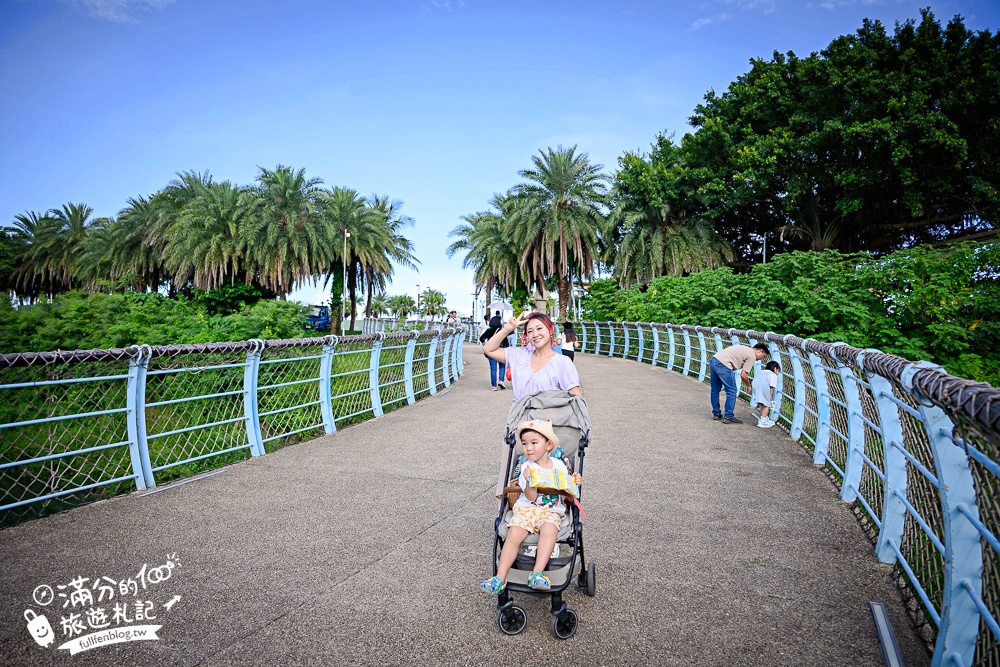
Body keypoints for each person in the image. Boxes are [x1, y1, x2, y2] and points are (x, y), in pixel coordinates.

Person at [483, 311, 582, 497]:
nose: (535, 334)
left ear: (550, 330)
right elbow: (489, 349)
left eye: (539, 328)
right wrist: (508, 328)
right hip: (520, 420)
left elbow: (576, 397)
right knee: (512, 465)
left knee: (548, 467)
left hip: (550, 423)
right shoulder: (519, 356)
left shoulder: (562, 362)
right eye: (530, 331)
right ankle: (513, 508)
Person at [480, 419, 582, 595]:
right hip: (528, 508)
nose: (528, 448)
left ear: (549, 445)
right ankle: (499, 577)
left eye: (534, 443)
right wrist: (529, 482)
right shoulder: (526, 466)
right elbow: (531, 496)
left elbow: (567, 489)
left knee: (549, 531)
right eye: (525, 443)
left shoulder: (559, 465)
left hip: (550, 511)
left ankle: (537, 573)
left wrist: (574, 481)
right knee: (514, 534)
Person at [709, 343, 769, 424]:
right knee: (732, 390)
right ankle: (728, 416)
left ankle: (716, 413)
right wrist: (749, 386)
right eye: (763, 356)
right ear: (760, 352)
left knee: (715, 390)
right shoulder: (752, 355)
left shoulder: (745, 349)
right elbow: (743, 375)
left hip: (714, 360)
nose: (760, 359)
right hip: (724, 364)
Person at [479, 316, 508, 391]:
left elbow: (481, 338)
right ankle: (501, 381)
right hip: (501, 351)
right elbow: (506, 343)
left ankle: (494, 386)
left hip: (491, 351)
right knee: (502, 366)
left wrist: (485, 345)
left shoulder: (489, 330)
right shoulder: (502, 331)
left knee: (493, 368)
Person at [752, 360, 781, 428]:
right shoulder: (773, 375)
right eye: (778, 370)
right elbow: (771, 387)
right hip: (764, 386)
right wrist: (769, 398)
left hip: (755, 385)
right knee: (766, 403)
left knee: (761, 402)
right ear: (775, 368)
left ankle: (764, 417)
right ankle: (763, 421)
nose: (777, 372)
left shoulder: (761, 372)